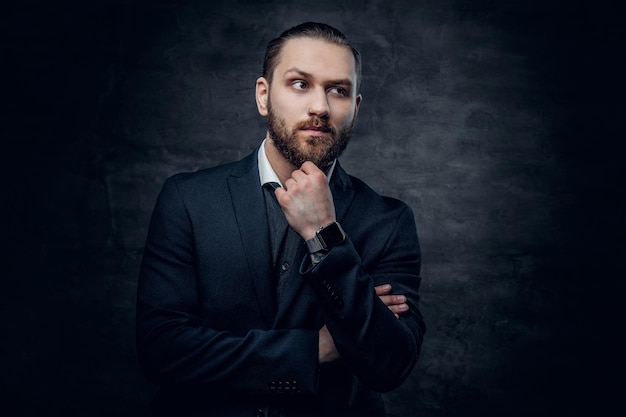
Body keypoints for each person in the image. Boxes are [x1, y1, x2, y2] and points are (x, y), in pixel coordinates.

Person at [136, 22, 425, 417]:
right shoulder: (188, 199)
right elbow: (162, 351)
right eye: (300, 84)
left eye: (338, 90)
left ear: (354, 108)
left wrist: (324, 234)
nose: (320, 107)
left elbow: (389, 364)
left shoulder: (389, 221)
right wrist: (314, 350)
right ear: (263, 95)